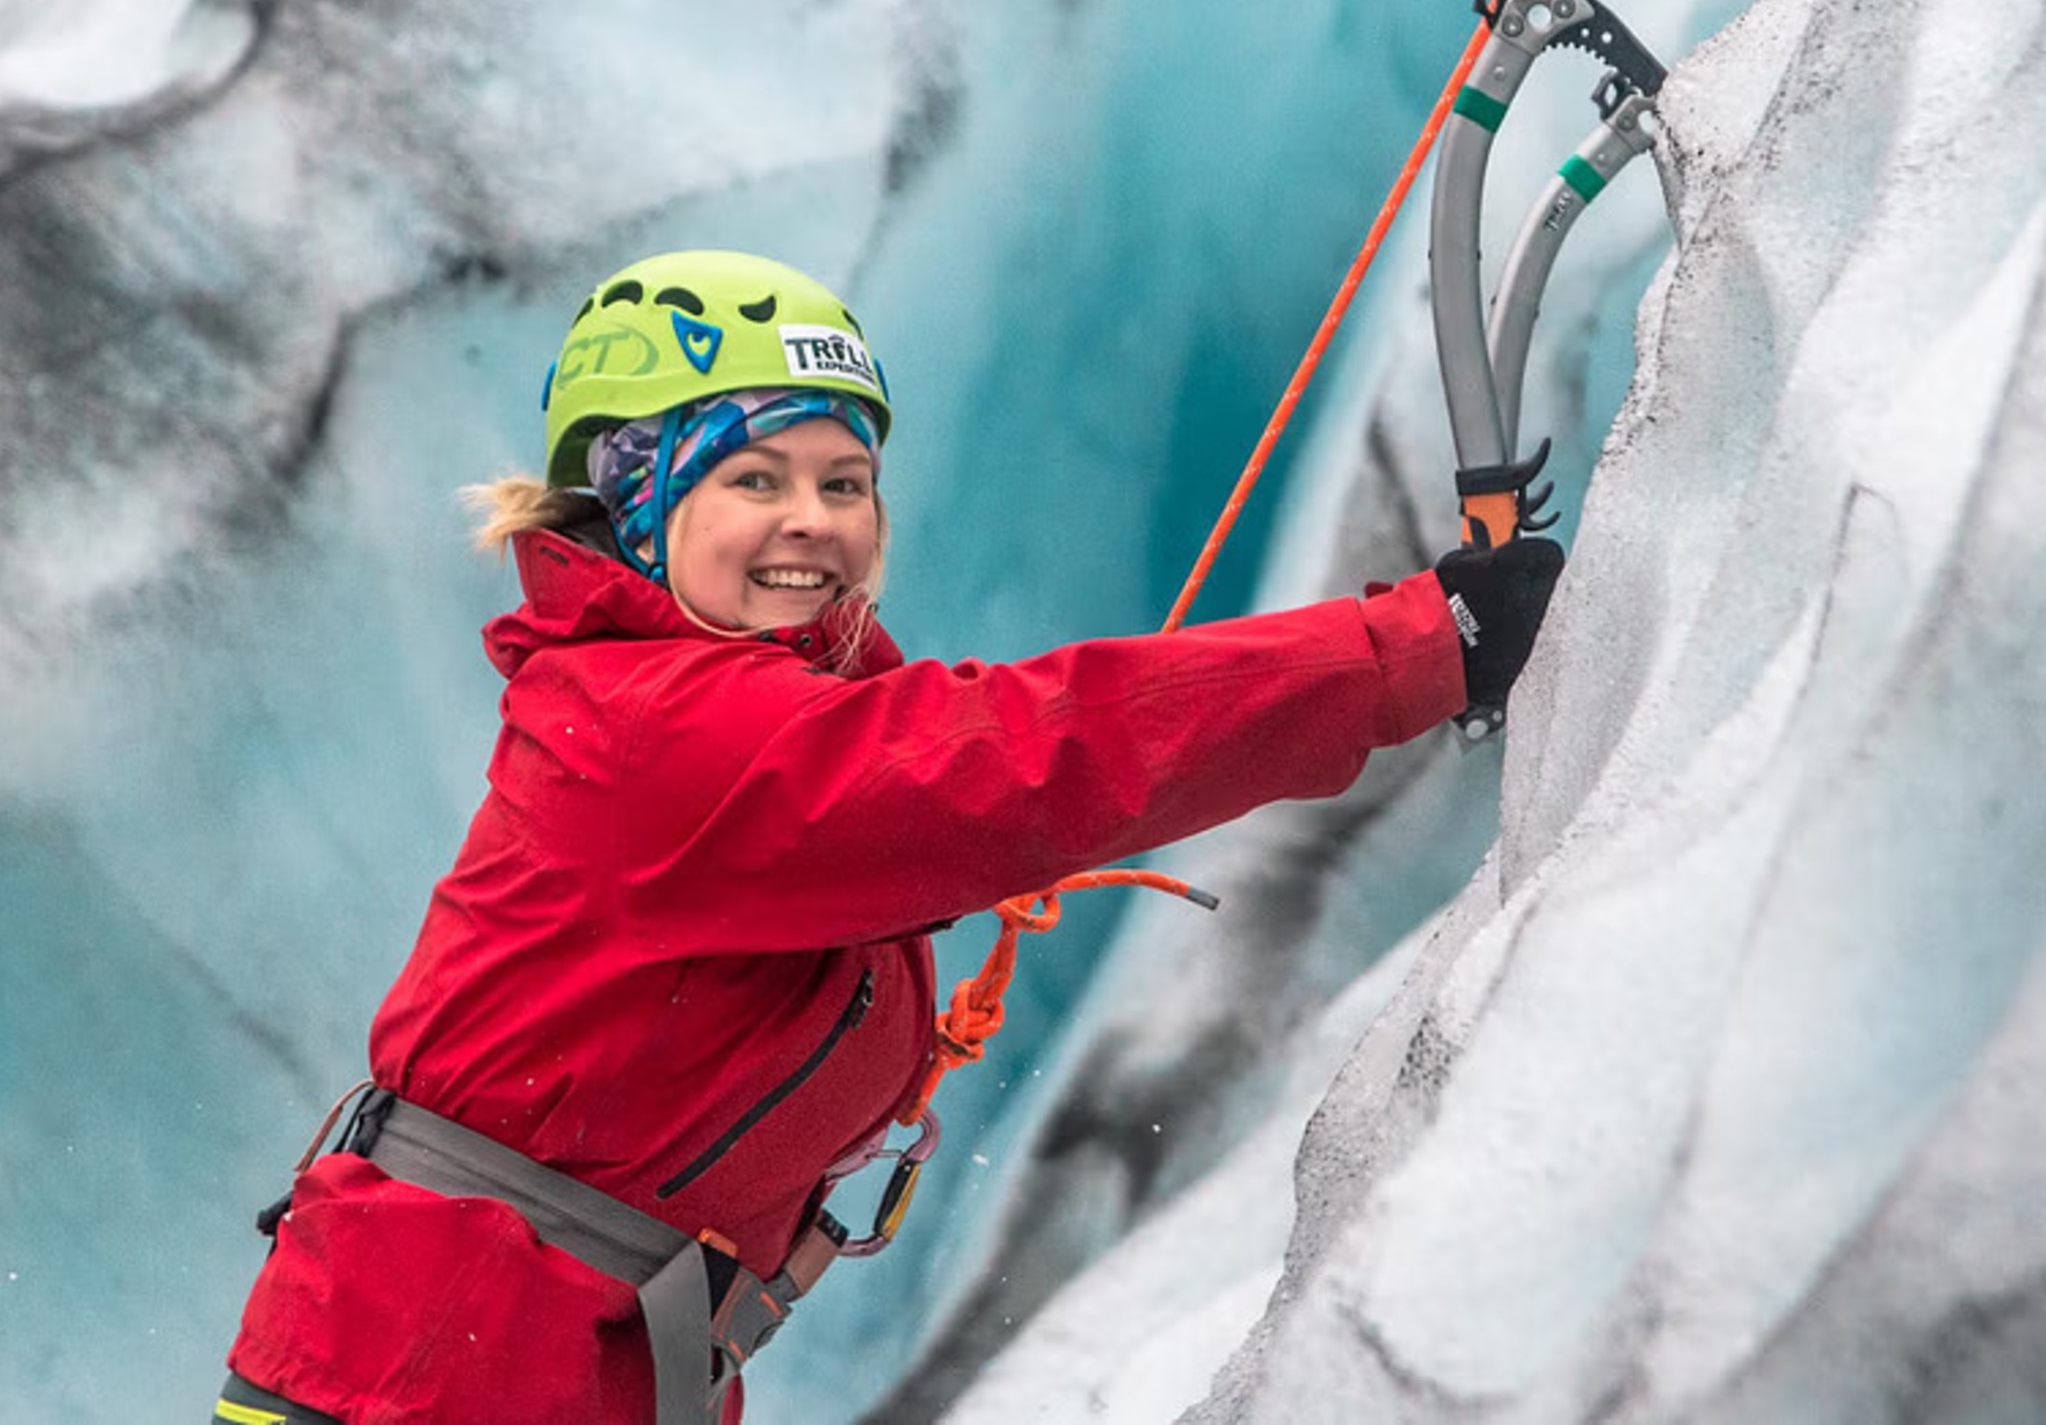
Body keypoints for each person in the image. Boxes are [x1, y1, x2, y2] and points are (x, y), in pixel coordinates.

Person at [214, 249, 1564, 1424]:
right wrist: (1415, 645)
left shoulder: (741, 703)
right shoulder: (656, 731)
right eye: (753, 474)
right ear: (636, 497)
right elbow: (1023, 757)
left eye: (845, 479)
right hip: (430, 1378)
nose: (814, 517)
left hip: (519, 1360)